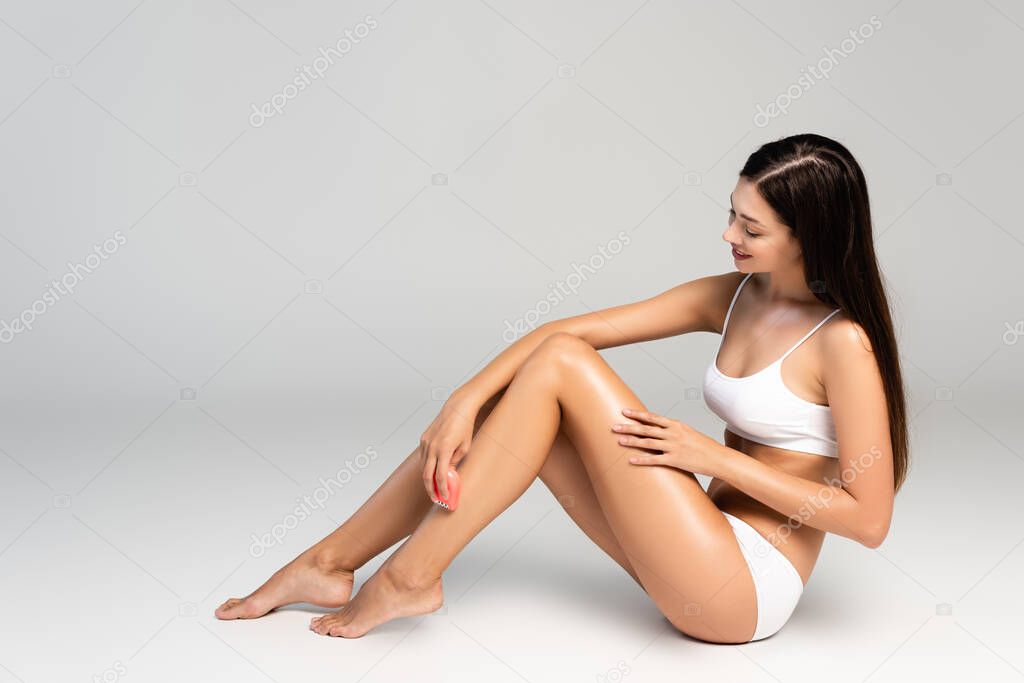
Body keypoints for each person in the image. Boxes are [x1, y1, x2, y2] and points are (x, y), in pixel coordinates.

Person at [215, 133, 908, 643]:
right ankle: (328, 562)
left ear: (806, 237)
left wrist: (713, 458)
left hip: (743, 588)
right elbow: (573, 328)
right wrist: (463, 399)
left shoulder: (843, 342)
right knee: (533, 395)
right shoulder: (734, 297)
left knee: (559, 366)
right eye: (730, 212)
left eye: (750, 226)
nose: (727, 233)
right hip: (691, 545)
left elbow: (869, 521)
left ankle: (407, 579)